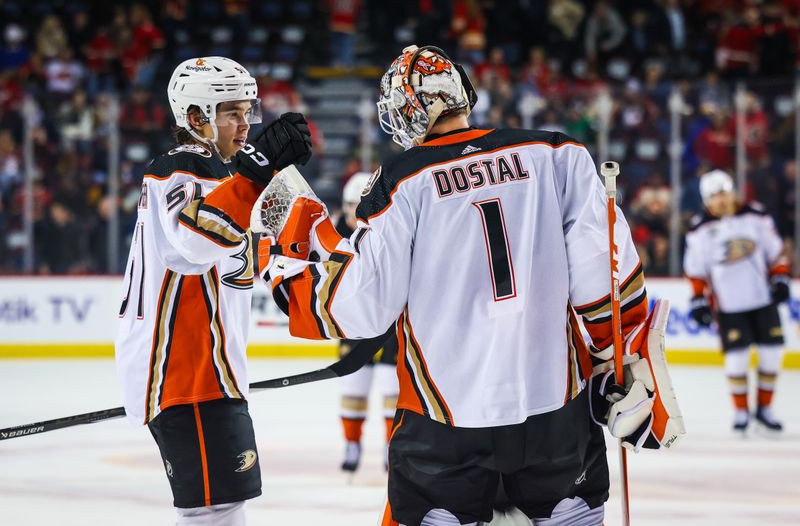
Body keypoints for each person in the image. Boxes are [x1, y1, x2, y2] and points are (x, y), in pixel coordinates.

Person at [258, 45, 682, 526]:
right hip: (554, 409)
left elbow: (362, 308)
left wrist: (285, 270)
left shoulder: (401, 181)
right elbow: (607, 280)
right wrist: (621, 360)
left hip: (447, 419)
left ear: (408, 110)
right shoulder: (558, 153)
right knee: (570, 513)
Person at [114, 56, 312, 525]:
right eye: (231, 113)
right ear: (197, 116)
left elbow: (268, 247)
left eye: (248, 112)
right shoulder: (183, 166)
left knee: (221, 504)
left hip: (208, 371)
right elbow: (191, 243)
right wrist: (257, 174)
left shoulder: (226, 175)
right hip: (186, 369)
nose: (245, 125)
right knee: (214, 509)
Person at [684, 169, 789, 433]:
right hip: (729, 305)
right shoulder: (700, 229)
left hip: (762, 299)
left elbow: (775, 252)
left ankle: (765, 410)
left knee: (771, 356)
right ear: (707, 201)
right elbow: (696, 270)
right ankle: (741, 413)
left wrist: (780, 279)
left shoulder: (756, 216)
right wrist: (698, 299)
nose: (721, 200)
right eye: (715, 196)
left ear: (733, 192)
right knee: (737, 360)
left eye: (724, 193)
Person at [336, 172, 399, 473]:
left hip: (390, 325)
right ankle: (352, 443)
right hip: (355, 325)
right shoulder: (335, 234)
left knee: (392, 390)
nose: (353, 214)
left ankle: (391, 448)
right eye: (350, 206)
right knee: (353, 388)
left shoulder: (388, 229)